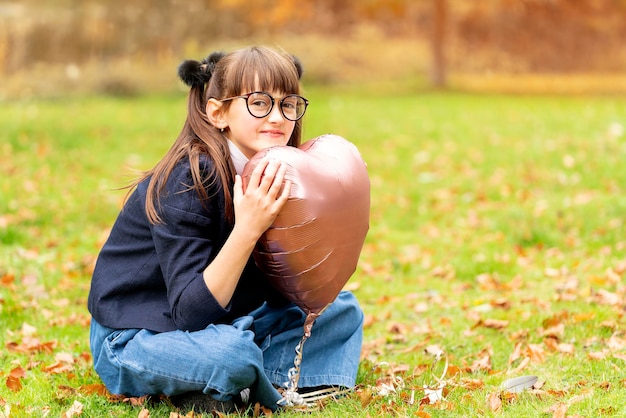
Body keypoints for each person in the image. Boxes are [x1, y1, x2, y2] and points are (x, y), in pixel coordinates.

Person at [87, 45, 364, 414]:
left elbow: (275, 290)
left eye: (288, 104)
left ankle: (226, 388)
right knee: (230, 354)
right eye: (259, 103)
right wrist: (248, 228)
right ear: (218, 112)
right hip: (139, 336)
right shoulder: (188, 179)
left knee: (339, 309)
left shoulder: (278, 173)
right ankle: (246, 381)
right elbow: (189, 313)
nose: (278, 117)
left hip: (224, 320)